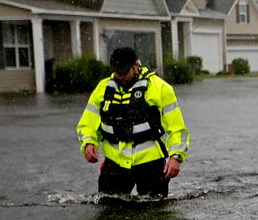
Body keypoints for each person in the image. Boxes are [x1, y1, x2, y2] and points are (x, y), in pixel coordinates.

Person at [76, 46, 189, 198]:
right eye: (118, 73)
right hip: (115, 164)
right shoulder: (102, 89)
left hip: (151, 165)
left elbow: (177, 129)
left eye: (125, 72)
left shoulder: (160, 88)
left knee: (155, 212)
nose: (121, 77)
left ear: (136, 65)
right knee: (107, 211)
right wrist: (89, 143)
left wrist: (176, 157)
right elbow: (88, 123)